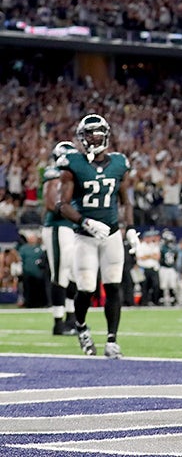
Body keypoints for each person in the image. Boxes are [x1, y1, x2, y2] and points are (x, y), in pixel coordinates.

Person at [56, 114, 139, 359]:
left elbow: (126, 201)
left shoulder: (118, 163)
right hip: (85, 236)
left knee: (114, 285)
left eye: (98, 132)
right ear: (82, 137)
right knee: (86, 288)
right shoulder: (73, 163)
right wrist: (85, 221)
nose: (94, 137)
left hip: (111, 234)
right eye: (90, 133)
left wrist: (131, 228)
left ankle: (112, 339)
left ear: (106, 134)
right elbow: (63, 205)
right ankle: (81, 327)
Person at [42, 140, 80, 334]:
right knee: (60, 273)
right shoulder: (53, 174)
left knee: (73, 273)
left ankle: (71, 319)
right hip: (57, 227)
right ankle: (58, 322)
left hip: (70, 228)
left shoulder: (71, 176)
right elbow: (51, 203)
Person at [135, 228, 161, 306]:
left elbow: (157, 257)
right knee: (144, 287)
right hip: (144, 269)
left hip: (153, 268)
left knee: (156, 285)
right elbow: (140, 257)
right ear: (145, 238)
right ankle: (144, 302)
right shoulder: (140, 246)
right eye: (148, 237)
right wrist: (151, 255)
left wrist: (147, 255)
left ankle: (155, 301)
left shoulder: (154, 245)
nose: (150, 239)